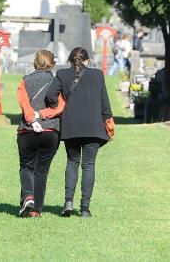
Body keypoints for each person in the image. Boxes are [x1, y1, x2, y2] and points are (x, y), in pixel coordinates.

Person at [46, 47, 115, 218]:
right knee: (89, 165)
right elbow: (104, 102)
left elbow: (50, 96)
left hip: (71, 125)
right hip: (93, 126)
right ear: (87, 61)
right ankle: (85, 208)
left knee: (72, 162)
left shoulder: (62, 74)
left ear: (70, 61)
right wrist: (109, 122)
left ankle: (68, 201)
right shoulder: (98, 75)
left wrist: (62, 105)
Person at [16, 50, 66, 218]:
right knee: (42, 171)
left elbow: (24, 104)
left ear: (34, 63)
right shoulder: (57, 83)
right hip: (51, 131)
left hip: (27, 130)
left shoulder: (25, 81)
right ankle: (36, 210)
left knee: (26, 166)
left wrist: (32, 118)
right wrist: (43, 114)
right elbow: (59, 107)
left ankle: (28, 196)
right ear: (52, 64)